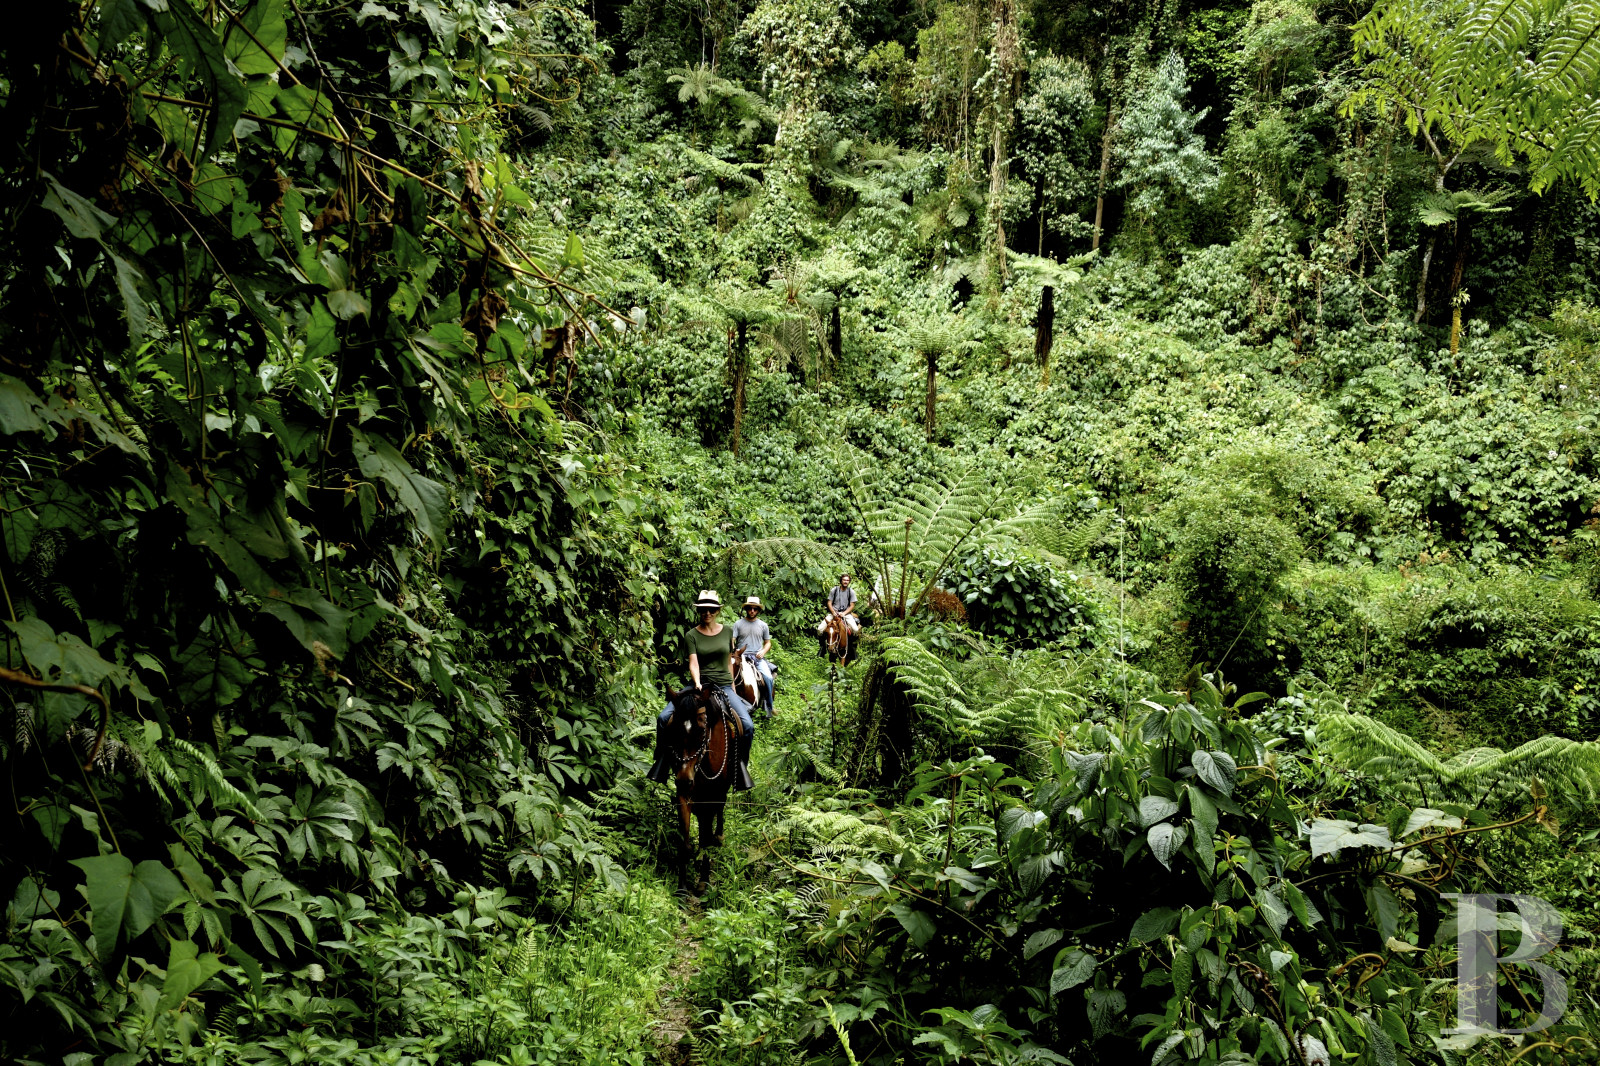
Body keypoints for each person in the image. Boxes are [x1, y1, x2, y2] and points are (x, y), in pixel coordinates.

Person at [647, 590, 755, 789]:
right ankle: (661, 763)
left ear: (717, 611)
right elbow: (693, 663)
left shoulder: (727, 631)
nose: (707, 613)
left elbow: (729, 660)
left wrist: (732, 686)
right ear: (699, 611)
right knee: (664, 718)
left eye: (711, 609)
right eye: (704, 609)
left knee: (747, 726)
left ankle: (740, 768)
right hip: (698, 685)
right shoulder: (692, 634)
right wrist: (697, 682)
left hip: (723, 685)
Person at [734, 596, 776, 718]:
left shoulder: (763, 625)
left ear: (758, 610)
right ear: (746, 609)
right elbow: (732, 640)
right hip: (741, 657)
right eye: (750, 608)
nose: (752, 611)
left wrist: (763, 651)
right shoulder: (738, 624)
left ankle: (769, 707)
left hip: (757, 657)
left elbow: (768, 642)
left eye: (755, 609)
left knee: (768, 678)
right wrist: (734, 649)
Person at [816, 572, 860, 656]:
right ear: (841, 581)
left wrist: (844, 613)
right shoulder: (834, 590)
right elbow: (829, 602)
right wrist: (833, 612)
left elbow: (852, 605)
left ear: (849, 581)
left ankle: (852, 648)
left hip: (846, 614)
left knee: (855, 630)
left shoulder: (851, 591)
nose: (845, 582)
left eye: (847, 580)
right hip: (834, 613)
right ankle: (822, 648)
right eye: (844, 580)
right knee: (820, 629)